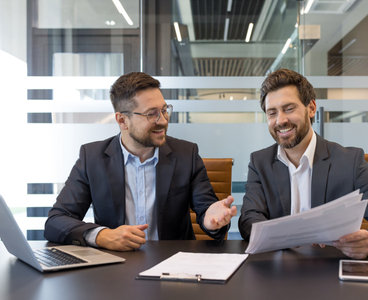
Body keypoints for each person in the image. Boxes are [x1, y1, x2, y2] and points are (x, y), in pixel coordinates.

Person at [45, 72, 237, 251]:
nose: (162, 120)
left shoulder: (186, 154)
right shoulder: (93, 157)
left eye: (164, 110)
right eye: (151, 114)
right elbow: (56, 221)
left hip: (173, 264)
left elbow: (207, 211)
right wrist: (102, 236)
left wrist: (212, 221)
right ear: (122, 121)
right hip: (115, 267)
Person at [238, 69, 368, 259]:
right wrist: (285, 238)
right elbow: (249, 219)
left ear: (311, 108)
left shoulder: (349, 161)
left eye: (289, 109)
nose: (280, 120)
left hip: (331, 271)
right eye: (272, 113)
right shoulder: (260, 162)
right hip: (279, 272)